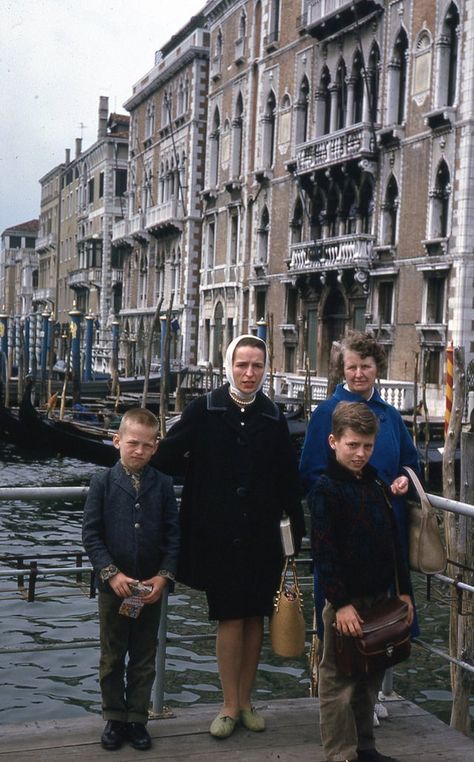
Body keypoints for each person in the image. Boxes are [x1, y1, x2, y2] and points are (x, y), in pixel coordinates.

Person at [154, 334, 305, 739]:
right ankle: (227, 704)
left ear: (265, 368)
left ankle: (246, 701)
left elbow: (289, 479)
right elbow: (168, 455)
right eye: (242, 365)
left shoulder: (273, 417)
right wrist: (132, 461)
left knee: (255, 616)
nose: (249, 373)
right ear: (229, 365)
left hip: (261, 534)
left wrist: (297, 528)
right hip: (216, 533)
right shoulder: (204, 409)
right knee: (228, 617)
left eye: (257, 365)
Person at [309, 402, 413, 762]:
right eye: (353, 445)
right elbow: (324, 552)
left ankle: (365, 746)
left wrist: (402, 591)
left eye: (367, 446)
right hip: (345, 605)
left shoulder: (375, 484)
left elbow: (393, 541)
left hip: (379, 597)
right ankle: (341, 753)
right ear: (334, 441)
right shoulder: (325, 490)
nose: (360, 454)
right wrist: (340, 604)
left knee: (370, 676)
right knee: (338, 682)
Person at [300, 331, 420, 640]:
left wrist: (404, 478)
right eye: (352, 367)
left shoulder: (391, 416)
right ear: (342, 369)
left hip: (386, 537)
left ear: (377, 368)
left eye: (365, 366)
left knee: (385, 632)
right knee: (341, 642)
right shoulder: (326, 413)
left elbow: (410, 462)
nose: (358, 374)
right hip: (342, 539)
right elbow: (310, 475)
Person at [82, 407, 180, 752]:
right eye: (132, 443)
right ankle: (114, 717)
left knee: (143, 654)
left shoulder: (164, 484)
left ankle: (138, 718)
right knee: (112, 655)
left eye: (146, 445)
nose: (138, 450)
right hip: (114, 588)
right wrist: (110, 573)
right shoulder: (102, 483)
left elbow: (173, 536)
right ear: (117, 441)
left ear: (156, 447)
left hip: (149, 588)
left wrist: (163, 577)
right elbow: (91, 535)